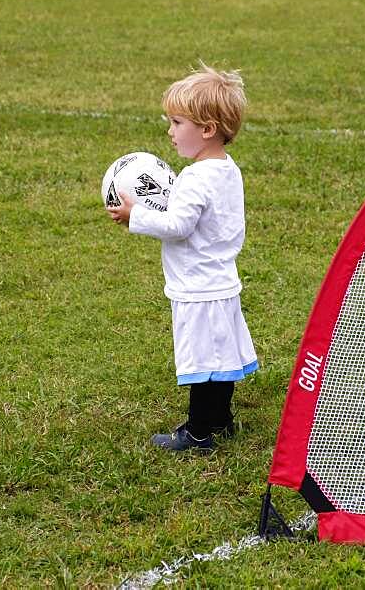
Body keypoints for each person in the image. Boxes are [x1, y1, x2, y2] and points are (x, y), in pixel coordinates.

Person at [107, 63, 258, 452]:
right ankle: (221, 421)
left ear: (206, 129)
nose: (170, 132)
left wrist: (134, 216)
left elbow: (177, 225)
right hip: (222, 281)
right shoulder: (228, 170)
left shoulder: (193, 178)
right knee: (220, 356)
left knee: (201, 364)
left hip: (196, 287)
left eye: (176, 122)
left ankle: (198, 433)